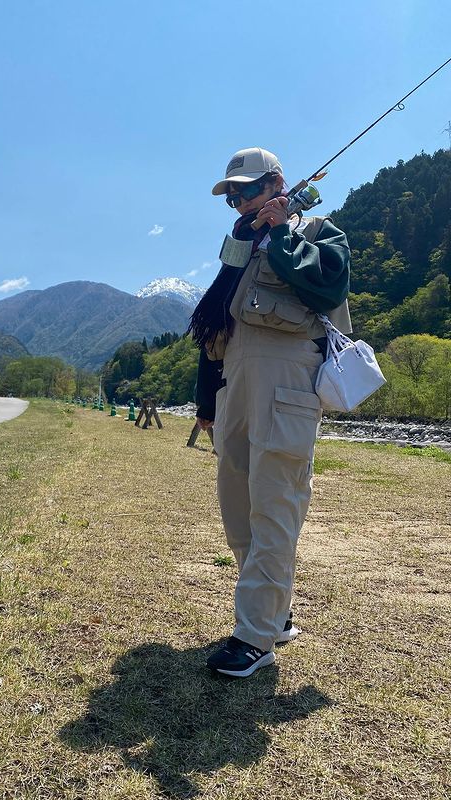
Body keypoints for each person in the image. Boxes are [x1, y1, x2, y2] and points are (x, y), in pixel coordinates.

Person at [189, 147, 351, 678]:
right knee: (237, 505)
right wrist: (207, 396)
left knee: (274, 508)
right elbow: (214, 326)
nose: (237, 201)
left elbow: (327, 287)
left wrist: (282, 232)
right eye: (231, 195)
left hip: (287, 381)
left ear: (277, 184)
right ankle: (273, 616)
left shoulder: (319, 230)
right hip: (234, 380)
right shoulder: (238, 249)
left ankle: (255, 637)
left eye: (247, 190)